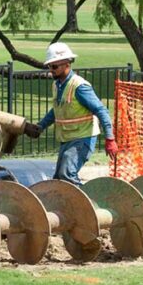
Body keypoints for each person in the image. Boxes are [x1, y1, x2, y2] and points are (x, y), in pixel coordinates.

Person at [21, 42, 116, 185]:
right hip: (68, 139)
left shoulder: (79, 86)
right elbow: (57, 109)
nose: (51, 70)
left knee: (66, 174)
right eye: (49, 66)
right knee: (59, 178)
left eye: (54, 66)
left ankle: (87, 204)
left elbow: (101, 110)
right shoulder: (57, 84)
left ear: (67, 64)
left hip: (83, 138)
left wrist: (110, 138)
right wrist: (41, 126)